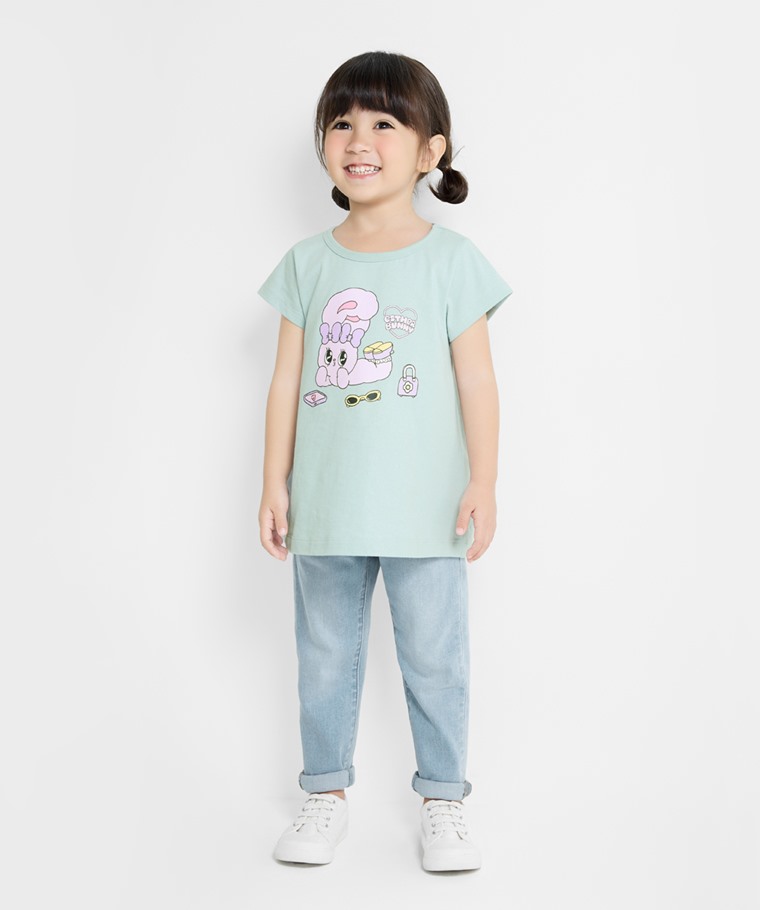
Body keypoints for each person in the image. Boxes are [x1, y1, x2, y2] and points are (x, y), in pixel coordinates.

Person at [257, 50, 513, 872]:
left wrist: (483, 480)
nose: (358, 139)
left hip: (427, 507)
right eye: (341, 122)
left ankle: (444, 800)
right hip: (327, 503)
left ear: (430, 150)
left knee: (436, 658)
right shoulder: (307, 263)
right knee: (324, 656)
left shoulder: (452, 262)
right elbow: (286, 381)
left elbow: (477, 379)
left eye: (383, 123)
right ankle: (324, 794)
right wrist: (273, 483)